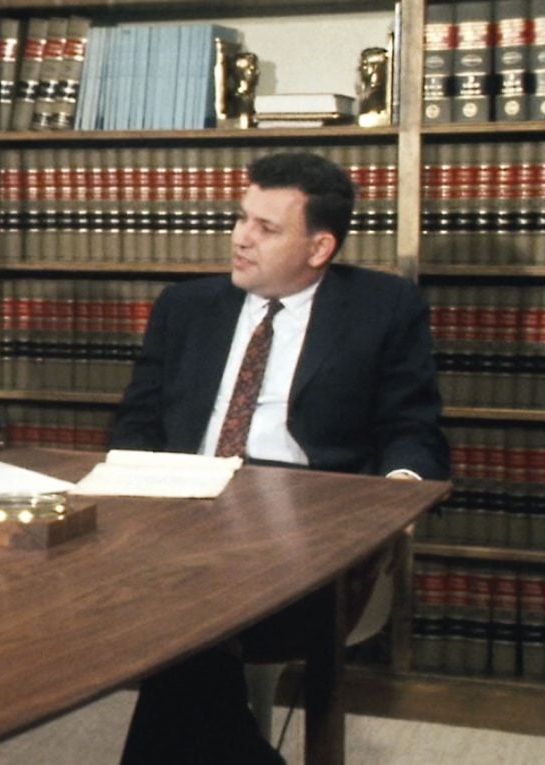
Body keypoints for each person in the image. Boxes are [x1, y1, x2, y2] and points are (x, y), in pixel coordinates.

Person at [111, 151, 449, 763]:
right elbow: (137, 421)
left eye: (265, 229)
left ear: (319, 248)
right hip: (181, 514)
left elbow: (412, 426)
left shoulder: (383, 308)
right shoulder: (183, 308)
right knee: (171, 606)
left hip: (306, 527)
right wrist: (130, 486)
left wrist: (396, 495)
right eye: (240, 219)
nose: (240, 239)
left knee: (186, 623)